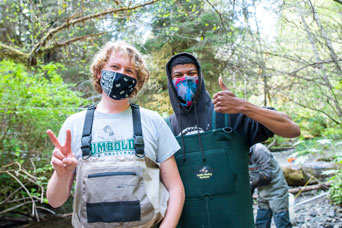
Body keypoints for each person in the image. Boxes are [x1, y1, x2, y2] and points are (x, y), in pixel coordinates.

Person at [46, 41, 185, 228]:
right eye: (114, 67)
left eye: (129, 71)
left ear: (137, 80)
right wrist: (62, 175)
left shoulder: (153, 121)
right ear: (99, 72)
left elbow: (176, 189)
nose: (121, 74)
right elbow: (55, 201)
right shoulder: (74, 124)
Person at [164, 53, 300, 228]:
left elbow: (292, 129)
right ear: (170, 81)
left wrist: (244, 106)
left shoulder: (229, 113)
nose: (186, 79)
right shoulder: (166, 128)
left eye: (191, 73)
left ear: (201, 76)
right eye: (178, 75)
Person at [249, 143, 292, 228]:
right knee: (261, 222)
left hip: (276, 189)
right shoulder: (240, 153)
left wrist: (252, 186)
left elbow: (267, 175)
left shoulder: (259, 150)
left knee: (281, 222)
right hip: (262, 191)